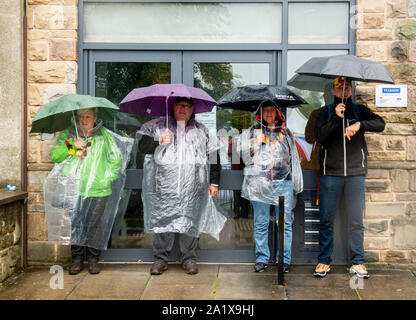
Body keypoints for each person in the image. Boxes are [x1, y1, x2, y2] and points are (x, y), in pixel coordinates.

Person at [138, 97, 221, 275]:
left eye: (187, 106)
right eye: (180, 105)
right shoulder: (159, 126)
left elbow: (214, 155)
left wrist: (214, 181)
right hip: (165, 185)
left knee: (190, 221)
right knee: (164, 221)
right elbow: (142, 146)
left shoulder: (202, 130)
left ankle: (189, 258)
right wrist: (159, 142)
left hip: (193, 187)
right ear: (173, 107)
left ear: (193, 109)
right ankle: (161, 259)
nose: (183, 109)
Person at [313, 77, 385, 279]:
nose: (343, 91)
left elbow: (380, 124)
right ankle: (324, 261)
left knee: (356, 221)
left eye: (346, 87)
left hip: (355, 175)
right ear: (333, 91)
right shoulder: (324, 112)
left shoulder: (360, 110)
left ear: (351, 91)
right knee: (326, 220)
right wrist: (336, 118)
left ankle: (358, 262)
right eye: (339, 88)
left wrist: (359, 125)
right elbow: (319, 137)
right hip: (331, 175)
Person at [50, 108, 122, 275]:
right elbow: (56, 156)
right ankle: (76, 260)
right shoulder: (69, 134)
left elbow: (115, 158)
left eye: (87, 116)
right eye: (81, 116)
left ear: (95, 118)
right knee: (76, 224)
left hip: (99, 189)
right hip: (74, 188)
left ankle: (93, 260)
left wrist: (107, 178)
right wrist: (71, 145)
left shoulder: (104, 135)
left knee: (95, 225)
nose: (83, 120)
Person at [239, 101, 303, 273]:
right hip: (260, 183)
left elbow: (293, 157)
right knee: (261, 223)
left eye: (271, 111)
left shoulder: (285, 132)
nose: (268, 113)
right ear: (260, 113)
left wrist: (296, 181)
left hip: (284, 183)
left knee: (284, 223)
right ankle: (262, 259)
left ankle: (284, 260)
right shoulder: (253, 132)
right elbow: (244, 157)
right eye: (265, 111)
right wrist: (255, 144)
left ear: (277, 113)